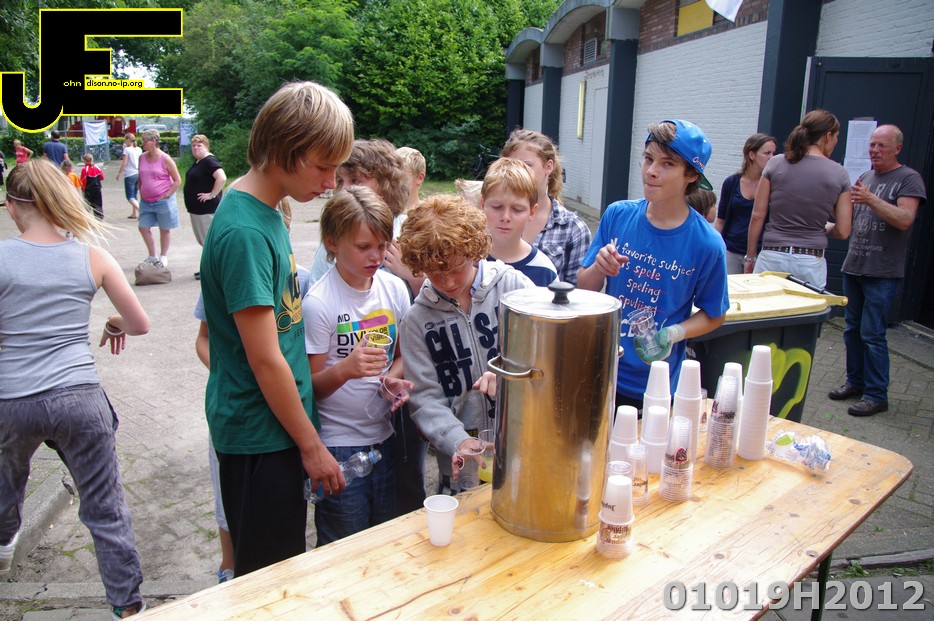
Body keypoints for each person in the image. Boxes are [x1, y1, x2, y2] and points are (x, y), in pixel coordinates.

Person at [199, 81, 349, 576]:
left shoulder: (266, 214)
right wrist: (312, 447)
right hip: (258, 437)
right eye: (323, 166)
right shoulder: (244, 232)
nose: (331, 182)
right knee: (268, 580)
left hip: (276, 430)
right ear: (285, 149)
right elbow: (265, 359)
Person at [0, 159, 151, 619]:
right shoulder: (92, 257)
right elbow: (140, 323)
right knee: (105, 507)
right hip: (80, 398)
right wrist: (113, 322)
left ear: (12, 206)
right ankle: (128, 607)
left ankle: (4, 544)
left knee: (7, 484)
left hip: (14, 400)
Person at [578, 119, 729, 409]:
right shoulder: (617, 215)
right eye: (648, 158)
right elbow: (584, 287)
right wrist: (598, 267)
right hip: (602, 372)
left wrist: (674, 333)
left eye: (667, 164)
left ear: (691, 175)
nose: (651, 171)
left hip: (658, 385)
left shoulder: (707, 244)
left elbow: (715, 314)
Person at [398, 194, 534, 494]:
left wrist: (508, 374)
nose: (447, 282)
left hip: (525, 451)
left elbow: (546, 356)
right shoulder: (416, 321)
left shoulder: (514, 288)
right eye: (435, 273)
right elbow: (425, 399)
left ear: (473, 251)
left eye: (455, 268)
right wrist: (457, 440)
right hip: (463, 466)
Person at [303, 186, 413, 545]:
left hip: (385, 437)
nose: (376, 256)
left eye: (382, 245)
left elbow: (402, 356)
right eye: (363, 247)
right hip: (338, 446)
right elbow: (308, 387)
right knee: (343, 545)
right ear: (332, 242)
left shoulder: (394, 289)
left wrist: (391, 381)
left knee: (383, 541)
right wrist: (346, 369)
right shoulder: (320, 302)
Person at [829, 124, 927, 417]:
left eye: (881, 145)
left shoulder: (908, 178)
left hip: (882, 272)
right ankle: (855, 382)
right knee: (852, 330)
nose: (874, 150)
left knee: (872, 334)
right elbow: (851, 219)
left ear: (898, 148)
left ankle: (876, 395)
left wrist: (870, 198)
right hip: (855, 266)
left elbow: (905, 219)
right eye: (872, 144)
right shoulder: (866, 177)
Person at [745, 110, 852, 288]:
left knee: (765, 304)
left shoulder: (776, 163)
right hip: (810, 259)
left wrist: (750, 256)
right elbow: (843, 231)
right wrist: (822, 227)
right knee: (807, 306)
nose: (835, 142)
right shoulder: (839, 173)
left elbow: (757, 215)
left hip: (773, 255)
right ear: (828, 136)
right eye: (836, 137)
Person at [309, 139, 410, 284]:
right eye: (340, 181)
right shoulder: (339, 235)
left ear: (387, 186)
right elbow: (317, 285)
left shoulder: (408, 232)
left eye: (355, 181)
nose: (343, 190)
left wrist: (414, 278)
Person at [501, 128, 592, 285]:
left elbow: (576, 292)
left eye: (527, 165)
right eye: (513, 165)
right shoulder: (489, 218)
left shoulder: (572, 228)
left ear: (548, 167)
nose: (519, 173)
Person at [481, 157, 557, 285]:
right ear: (483, 204)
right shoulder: (467, 261)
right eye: (497, 207)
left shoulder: (544, 271)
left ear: (532, 212)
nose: (506, 217)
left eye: (517, 210)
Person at [714, 133, 777, 273]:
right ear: (752, 155)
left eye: (773, 153)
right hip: (731, 249)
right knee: (729, 285)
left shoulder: (773, 184)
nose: (771, 157)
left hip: (761, 252)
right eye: (767, 153)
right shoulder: (732, 183)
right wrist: (713, 247)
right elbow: (721, 220)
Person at [183, 134, 227, 280]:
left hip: (206, 210)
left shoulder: (209, 161)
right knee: (205, 241)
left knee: (209, 242)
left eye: (199, 145)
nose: (196, 148)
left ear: (206, 146)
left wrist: (212, 194)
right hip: (197, 210)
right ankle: (209, 269)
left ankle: (214, 271)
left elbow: (222, 177)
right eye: (193, 146)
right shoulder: (199, 162)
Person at [137, 129, 181, 267]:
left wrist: (167, 194)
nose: (143, 143)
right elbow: (141, 176)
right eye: (142, 141)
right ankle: (152, 255)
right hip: (146, 201)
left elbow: (177, 180)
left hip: (162, 200)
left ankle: (163, 256)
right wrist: (141, 191)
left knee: (164, 228)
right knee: (143, 227)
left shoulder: (165, 159)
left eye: (145, 141)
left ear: (154, 141)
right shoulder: (142, 157)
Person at [115, 133, 142, 220]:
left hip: (130, 174)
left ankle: (141, 211)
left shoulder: (126, 150)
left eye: (125, 140)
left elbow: (124, 162)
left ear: (128, 140)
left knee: (129, 196)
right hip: (138, 173)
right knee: (134, 194)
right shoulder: (139, 149)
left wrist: (119, 173)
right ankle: (135, 213)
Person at [396, 146, 426, 211]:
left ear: (420, 178)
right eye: (391, 175)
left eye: (401, 176)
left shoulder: (429, 214)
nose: (394, 181)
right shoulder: (381, 212)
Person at [80, 153, 105, 220]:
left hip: (88, 189)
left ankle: (87, 218)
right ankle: (99, 218)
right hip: (97, 188)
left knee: (87, 204)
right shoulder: (97, 168)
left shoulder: (85, 169)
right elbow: (102, 177)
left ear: (85, 161)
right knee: (98, 203)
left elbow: (83, 180)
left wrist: (82, 188)